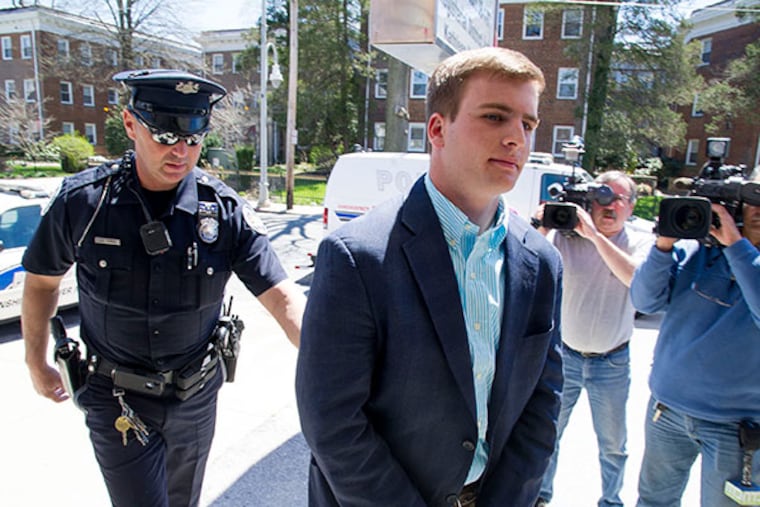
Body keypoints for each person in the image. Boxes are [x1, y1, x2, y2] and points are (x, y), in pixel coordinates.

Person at [21, 69, 305, 507]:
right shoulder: (83, 205)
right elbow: (42, 283)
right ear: (130, 124)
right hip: (117, 396)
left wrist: (334, 362)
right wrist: (35, 361)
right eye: (165, 136)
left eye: (193, 140)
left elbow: (283, 297)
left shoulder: (222, 212)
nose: (180, 151)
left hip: (195, 395)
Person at [296, 47, 563, 506]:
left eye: (528, 123)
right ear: (437, 129)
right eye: (496, 117)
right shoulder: (356, 256)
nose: (517, 138)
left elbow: (543, 401)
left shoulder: (540, 261)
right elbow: (333, 421)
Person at [630, 167, 760, 507]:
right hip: (667, 411)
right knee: (653, 501)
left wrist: (737, 246)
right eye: (754, 199)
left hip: (736, 426)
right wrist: (663, 246)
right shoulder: (696, 250)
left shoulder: (737, 251)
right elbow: (644, 300)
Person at [532, 171, 653, 507]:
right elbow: (526, 260)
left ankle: (611, 501)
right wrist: (542, 223)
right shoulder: (566, 236)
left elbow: (637, 281)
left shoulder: (639, 241)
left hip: (611, 361)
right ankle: (540, 496)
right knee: (548, 433)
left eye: (618, 199)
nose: (610, 205)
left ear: (631, 207)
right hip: (565, 355)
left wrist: (596, 236)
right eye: (602, 197)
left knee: (613, 444)